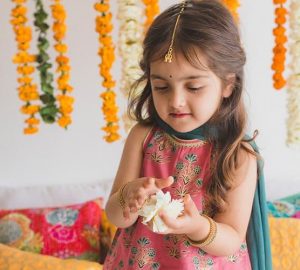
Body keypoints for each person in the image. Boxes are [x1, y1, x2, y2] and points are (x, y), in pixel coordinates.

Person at [104, 0, 272, 269]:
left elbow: (231, 239)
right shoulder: (143, 137)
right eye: (161, 87)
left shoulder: (238, 155)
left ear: (228, 84)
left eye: (193, 87)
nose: (176, 101)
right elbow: (115, 215)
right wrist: (128, 197)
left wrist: (196, 227)